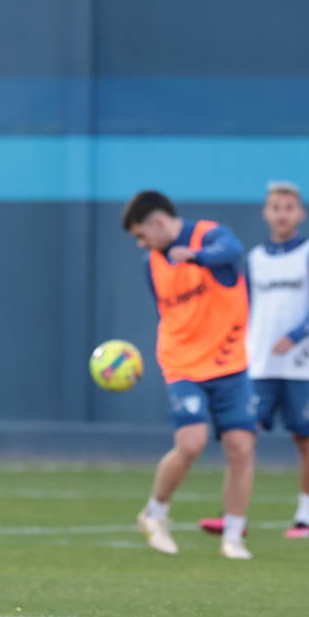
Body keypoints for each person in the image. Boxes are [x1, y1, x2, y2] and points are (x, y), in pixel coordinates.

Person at [123, 190, 257, 560]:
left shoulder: (210, 237)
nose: (142, 243)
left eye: (141, 235)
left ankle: (233, 535)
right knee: (192, 443)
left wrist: (196, 257)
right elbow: (168, 315)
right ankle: (155, 513)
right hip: (183, 363)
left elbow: (232, 251)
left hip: (229, 362)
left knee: (241, 448)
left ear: (159, 223)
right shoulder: (152, 263)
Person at [201, 181, 309, 539]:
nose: (282, 213)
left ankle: (306, 519)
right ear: (266, 213)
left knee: (304, 439)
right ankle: (232, 517)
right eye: (276, 207)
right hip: (258, 364)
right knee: (242, 438)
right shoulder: (254, 259)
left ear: (300, 213)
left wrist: (298, 335)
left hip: (302, 364)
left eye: (289, 207)